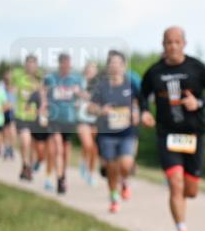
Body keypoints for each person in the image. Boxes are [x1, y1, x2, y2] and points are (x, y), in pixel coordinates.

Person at [139, 27, 205, 231]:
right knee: (175, 184)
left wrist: (200, 103)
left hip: (194, 134)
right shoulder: (154, 72)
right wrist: (144, 112)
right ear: (163, 44)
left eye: (177, 42)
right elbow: (142, 95)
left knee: (190, 191)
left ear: (184, 43)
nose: (173, 46)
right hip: (167, 134)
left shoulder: (196, 67)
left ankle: (182, 206)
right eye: (168, 42)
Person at [89, 51, 140, 213]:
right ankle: (114, 197)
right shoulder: (101, 86)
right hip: (107, 133)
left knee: (125, 165)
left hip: (127, 132)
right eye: (112, 63)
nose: (115, 66)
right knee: (111, 168)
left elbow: (140, 104)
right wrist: (100, 109)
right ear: (108, 66)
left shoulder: (131, 85)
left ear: (124, 66)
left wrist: (137, 113)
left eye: (118, 63)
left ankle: (124, 181)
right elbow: (90, 107)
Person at [43, 53, 84, 194]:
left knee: (66, 152)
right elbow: (43, 91)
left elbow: (83, 95)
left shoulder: (75, 79)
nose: (67, 67)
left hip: (69, 119)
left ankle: (63, 174)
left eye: (69, 64)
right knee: (58, 149)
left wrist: (79, 94)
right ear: (60, 64)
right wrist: (43, 105)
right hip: (54, 118)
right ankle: (59, 180)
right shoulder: (51, 78)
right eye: (65, 64)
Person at [11, 56, 43, 181]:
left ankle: (27, 168)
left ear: (36, 66)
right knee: (25, 141)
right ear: (25, 65)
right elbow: (11, 80)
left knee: (34, 146)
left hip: (34, 117)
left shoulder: (39, 79)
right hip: (22, 115)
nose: (30, 66)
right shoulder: (19, 76)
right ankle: (26, 165)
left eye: (33, 64)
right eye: (28, 64)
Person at [76, 62, 100, 186]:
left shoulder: (99, 85)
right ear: (85, 71)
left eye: (93, 70)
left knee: (94, 149)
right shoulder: (79, 83)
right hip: (82, 118)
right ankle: (83, 162)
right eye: (89, 70)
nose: (91, 72)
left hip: (95, 120)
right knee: (87, 144)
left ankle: (90, 173)